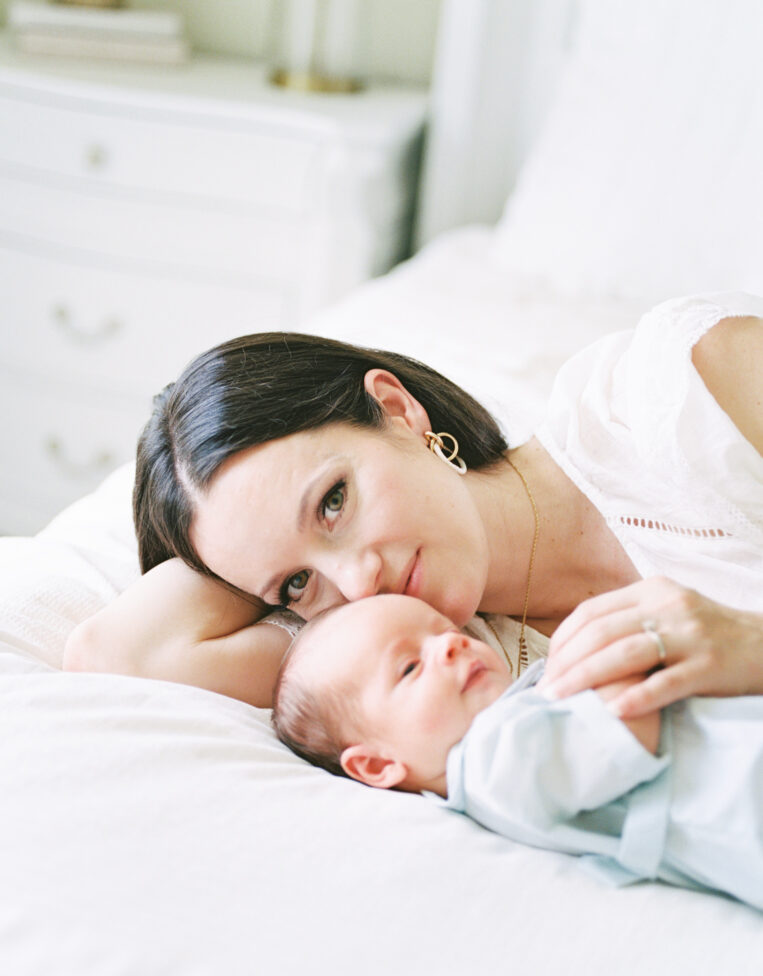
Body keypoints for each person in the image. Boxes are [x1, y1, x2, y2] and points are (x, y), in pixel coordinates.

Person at [64, 293, 763, 712]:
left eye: (332, 502)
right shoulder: (429, 663)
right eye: (296, 583)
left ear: (398, 409)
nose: (359, 583)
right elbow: (115, 651)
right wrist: (248, 552)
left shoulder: (677, 395)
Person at [271, 593, 763, 911]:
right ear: (377, 764)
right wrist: (624, 643)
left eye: (447, 631)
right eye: (408, 668)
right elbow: (624, 723)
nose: (449, 647)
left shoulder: (517, 712)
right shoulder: (491, 766)